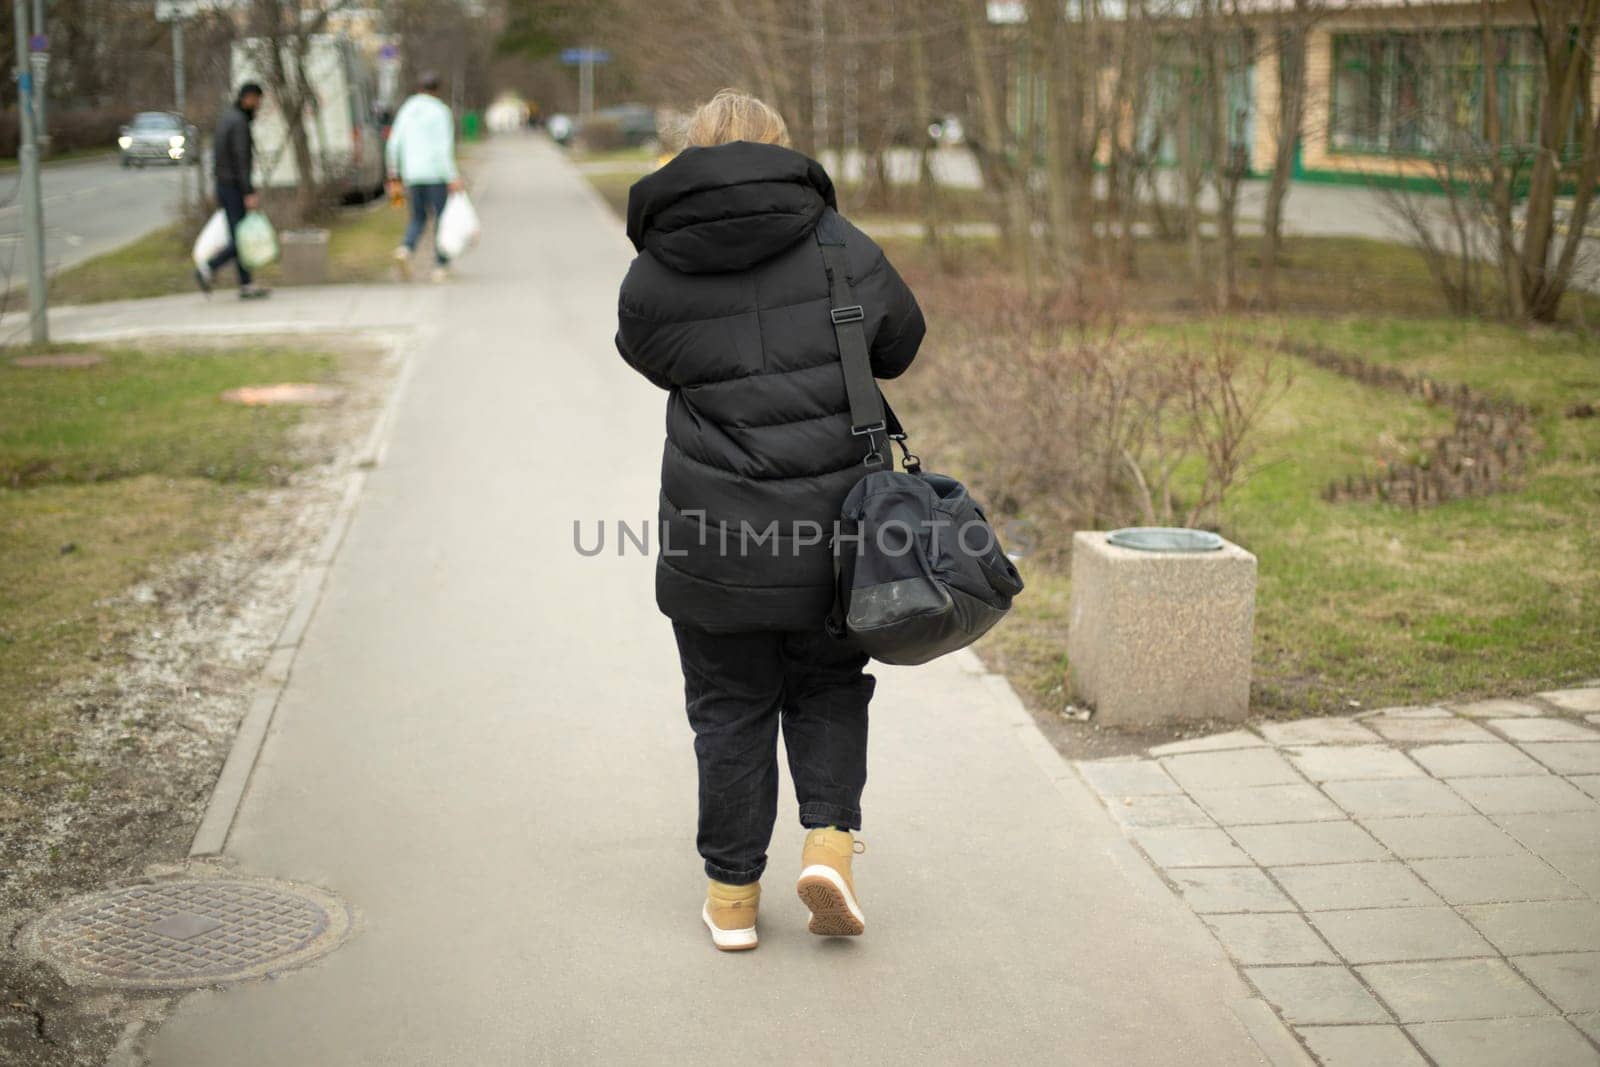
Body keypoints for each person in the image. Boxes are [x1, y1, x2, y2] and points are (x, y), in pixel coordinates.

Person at [615, 90, 925, 952]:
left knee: (727, 707)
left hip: (714, 542)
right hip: (834, 537)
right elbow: (901, 343)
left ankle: (732, 901)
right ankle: (828, 844)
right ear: (784, 147)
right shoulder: (838, 244)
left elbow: (644, 351)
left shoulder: (657, 264)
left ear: (693, 149)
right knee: (827, 684)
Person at [385, 71, 462, 283]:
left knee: (418, 217)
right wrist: (452, 176)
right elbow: (442, 148)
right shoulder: (440, 111)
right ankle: (440, 264)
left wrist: (394, 174)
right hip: (436, 174)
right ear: (437, 90)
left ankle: (406, 249)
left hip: (412, 174)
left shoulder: (407, 110)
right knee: (441, 218)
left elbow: (393, 144)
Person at [195, 82, 269, 300]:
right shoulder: (238, 123)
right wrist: (248, 191)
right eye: (257, 99)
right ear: (247, 98)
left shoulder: (228, 118)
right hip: (234, 187)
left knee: (240, 235)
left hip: (224, 185)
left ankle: (246, 284)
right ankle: (208, 267)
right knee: (241, 239)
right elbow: (241, 160)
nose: (258, 104)